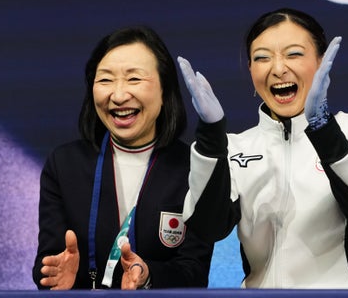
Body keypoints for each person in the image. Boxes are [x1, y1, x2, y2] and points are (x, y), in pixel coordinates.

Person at [177, 8, 348, 288]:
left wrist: (322, 126)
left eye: (293, 54)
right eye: (262, 58)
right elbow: (208, 227)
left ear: (321, 62)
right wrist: (211, 135)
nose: (278, 69)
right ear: (251, 71)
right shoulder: (234, 146)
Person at [33, 26, 213, 290]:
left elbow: (194, 272)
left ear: (165, 90)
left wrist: (149, 275)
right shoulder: (65, 165)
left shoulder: (193, 167)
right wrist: (55, 277)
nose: (118, 95)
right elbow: (47, 264)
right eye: (105, 80)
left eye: (134, 79)